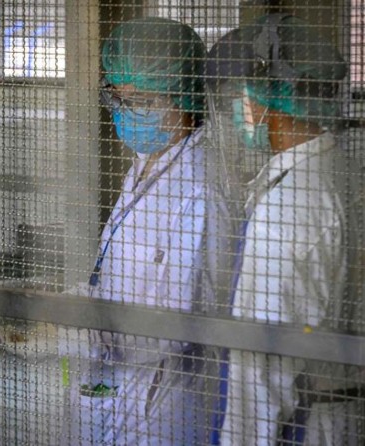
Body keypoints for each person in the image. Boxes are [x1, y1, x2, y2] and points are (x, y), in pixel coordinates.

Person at [61, 17, 236, 445]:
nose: (126, 112)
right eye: (118, 97)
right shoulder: (147, 161)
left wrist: (85, 328)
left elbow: (185, 323)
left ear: (185, 97)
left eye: (141, 100)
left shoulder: (201, 189)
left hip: (162, 397)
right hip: (114, 379)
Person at [206, 14, 365, 445]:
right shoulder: (342, 171)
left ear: (267, 99)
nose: (237, 108)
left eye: (240, 94)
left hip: (299, 426)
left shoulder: (290, 205)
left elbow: (262, 368)